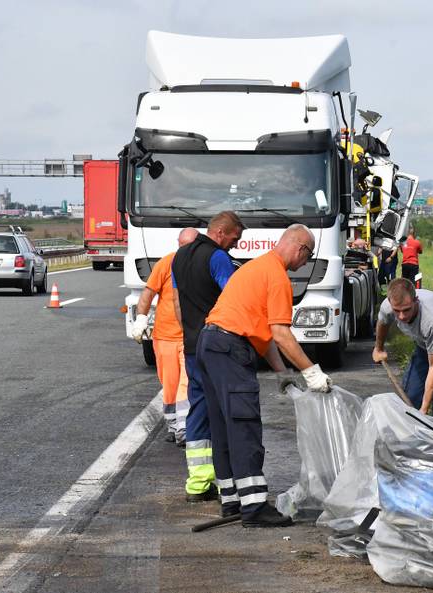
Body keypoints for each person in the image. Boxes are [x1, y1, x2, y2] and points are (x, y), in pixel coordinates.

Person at [199, 224, 332, 528]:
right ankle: (255, 507)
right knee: (244, 426)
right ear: (300, 249)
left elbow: (265, 334)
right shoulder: (278, 277)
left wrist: (282, 371)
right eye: (307, 258)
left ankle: (232, 500)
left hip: (212, 344)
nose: (304, 264)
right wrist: (311, 372)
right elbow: (282, 334)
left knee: (223, 427)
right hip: (231, 348)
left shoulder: (254, 268)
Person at [171, 213, 245, 503]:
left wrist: (189, 333)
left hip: (192, 344)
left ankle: (198, 483)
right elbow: (233, 299)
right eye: (234, 238)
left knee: (198, 409)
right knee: (225, 411)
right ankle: (229, 481)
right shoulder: (218, 258)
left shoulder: (179, 258)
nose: (235, 245)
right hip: (216, 346)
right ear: (221, 232)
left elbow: (177, 302)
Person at [130, 231, 198, 446]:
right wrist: (141, 320)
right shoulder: (166, 264)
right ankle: (172, 423)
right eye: (183, 246)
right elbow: (148, 294)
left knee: (187, 382)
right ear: (178, 244)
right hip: (165, 336)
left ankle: (183, 428)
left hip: (189, 336)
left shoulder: (201, 265)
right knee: (169, 384)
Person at [372, 278, 433, 420]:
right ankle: (412, 438)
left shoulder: (432, 320)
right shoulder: (388, 306)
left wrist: (424, 410)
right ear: (389, 302)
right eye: (397, 311)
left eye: (406, 310)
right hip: (425, 344)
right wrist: (379, 348)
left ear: (415, 300)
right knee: (409, 397)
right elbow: (383, 323)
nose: (402, 316)